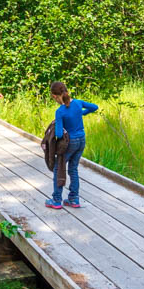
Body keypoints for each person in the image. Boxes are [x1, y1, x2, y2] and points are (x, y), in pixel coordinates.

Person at [45, 81, 97, 210]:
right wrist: (81, 113)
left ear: (55, 96)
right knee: (73, 169)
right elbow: (94, 107)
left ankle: (56, 200)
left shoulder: (60, 111)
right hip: (81, 140)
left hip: (70, 143)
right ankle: (74, 199)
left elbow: (58, 133)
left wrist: (58, 125)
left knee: (58, 168)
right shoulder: (78, 103)